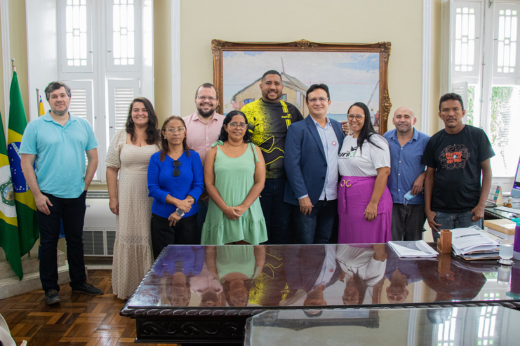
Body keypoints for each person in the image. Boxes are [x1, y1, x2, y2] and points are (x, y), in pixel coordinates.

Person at [20, 81, 103, 305]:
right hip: (48, 195)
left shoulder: (82, 125)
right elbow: (26, 163)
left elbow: (94, 157)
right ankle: (50, 289)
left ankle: (78, 282)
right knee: (48, 243)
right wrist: (37, 195)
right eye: (54, 96)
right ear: (49, 100)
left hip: (76, 193)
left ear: (69, 97)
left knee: (76, 240)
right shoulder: (35, 126)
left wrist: (85, 185)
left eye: (63, 95)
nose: (59, 99)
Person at [105, 97, 160, 300]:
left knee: (148, 235)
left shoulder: (159, 136)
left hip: (152, 195)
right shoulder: (121, 135)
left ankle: (149, 288)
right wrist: (112, 198)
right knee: (127, 234)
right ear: (130, 113)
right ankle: (128, 287)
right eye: (135, 110)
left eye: (144, 110)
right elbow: (111, 168)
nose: (140, 113)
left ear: (150, 113)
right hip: (126, 193)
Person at [241, 70, 304, 244]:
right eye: (268, 83)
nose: (273, 87)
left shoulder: (291, 110)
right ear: (261, 86)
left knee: (282, 229)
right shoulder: (247, 110)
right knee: (257, 228)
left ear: (282, 87)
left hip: (286, 183)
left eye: (277, 83)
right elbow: (239, 145)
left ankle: (277, 269)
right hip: (256, 183)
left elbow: (308, 134)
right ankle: (258, 269)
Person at [423, 93, 494, 240]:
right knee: (442, 258)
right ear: (440, 114)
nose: (451, 114)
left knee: (469, 258)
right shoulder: (434, 140)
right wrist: (428, 210)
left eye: (455, 109)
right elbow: (429, 177)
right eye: (446, 110)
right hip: (440, 213)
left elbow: (487, 172)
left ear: (462, 112)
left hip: (470, 211)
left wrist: (481, 206)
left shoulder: (477, 135)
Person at [284, 84, 345, 244]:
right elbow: (292, 165)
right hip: (308, 200)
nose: (317, 103)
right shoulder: (297, 129)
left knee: (325, 243)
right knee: (305, 245)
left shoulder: (338, 128)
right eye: (313, 100)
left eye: (321, 99)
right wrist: (302, 196)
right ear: (307, 103)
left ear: (329, 102)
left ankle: (324, 271)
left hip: (332, 198)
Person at [201, 110, 267, 245]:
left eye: (242, 124)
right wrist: (225, 209)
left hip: (248, 211)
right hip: (220, 212)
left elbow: (260, 182)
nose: (238, 127)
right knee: (219, 260)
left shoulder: (254, 150)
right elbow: (209, 184)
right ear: (225, 127)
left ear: (246, 128)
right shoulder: (214, 151)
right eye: (234, 124)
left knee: (248, 259)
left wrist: (243, 207)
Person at [147, 116, 204, 259]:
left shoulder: (193, 157)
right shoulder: (156, 158)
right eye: (171, 129)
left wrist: (180, 211)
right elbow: (153, 188)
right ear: (164, 134)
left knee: (188, 261)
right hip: (162, 217)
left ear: (185, 133)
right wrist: (178, 203)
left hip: (188, 217)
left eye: (180, 129)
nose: (176, 133)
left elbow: (199, 186)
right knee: (163, 263)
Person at [337, 102, 392, 243]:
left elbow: (384, 172)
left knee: (368, 241)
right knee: (350, 240)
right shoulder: (347, 140)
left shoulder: (376, 140)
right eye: (350, 116)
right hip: (347, 200)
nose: (353, 119)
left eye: (358, 116)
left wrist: (373, 204)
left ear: (366, 117)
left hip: (368, 197)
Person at [183, 83, 225, 237]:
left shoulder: (226, 124)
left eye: (211, 98)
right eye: (202, 97)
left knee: (218, 236)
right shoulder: (183, 124)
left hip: (221, 190)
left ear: (217, 102)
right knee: (194, 236)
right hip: (191, 192)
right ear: (195, 100)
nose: (206, 100)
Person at [383, 106, 430, 241]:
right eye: (399, 117)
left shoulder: (426, 141)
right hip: (392, 201)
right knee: (392, 243)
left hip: (416, 201)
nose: (402, 120)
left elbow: (436, 167)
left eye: (406, 117)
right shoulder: (386, 138)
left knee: (414, 244)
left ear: (414, 120)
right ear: (393, 120)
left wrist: (423, 176)